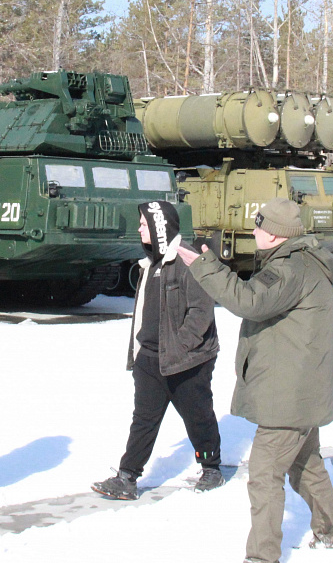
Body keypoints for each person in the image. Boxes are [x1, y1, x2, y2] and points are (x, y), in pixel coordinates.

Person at [177, 197, 333, 563]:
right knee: (306, 465)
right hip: (300, 391)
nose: (254, 232)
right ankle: (330, 534)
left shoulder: (290, 268)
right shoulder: (301, 262)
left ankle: (261, 557)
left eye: (261, 227)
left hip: (289, 396)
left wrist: (206, 267)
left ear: (278, 235)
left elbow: (249, 300)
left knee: (265, 476)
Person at [92, 201, 223, 500]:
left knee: (197, 414)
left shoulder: (188, 260)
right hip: (150, 358)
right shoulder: (149, 263)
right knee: (144, 420)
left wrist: (179, 347)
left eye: (143, 223)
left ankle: (211, 467)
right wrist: (139, 352)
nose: (139, 228)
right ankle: (127, 477)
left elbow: (201, 312)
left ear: (159, 227)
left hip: (188, 360)